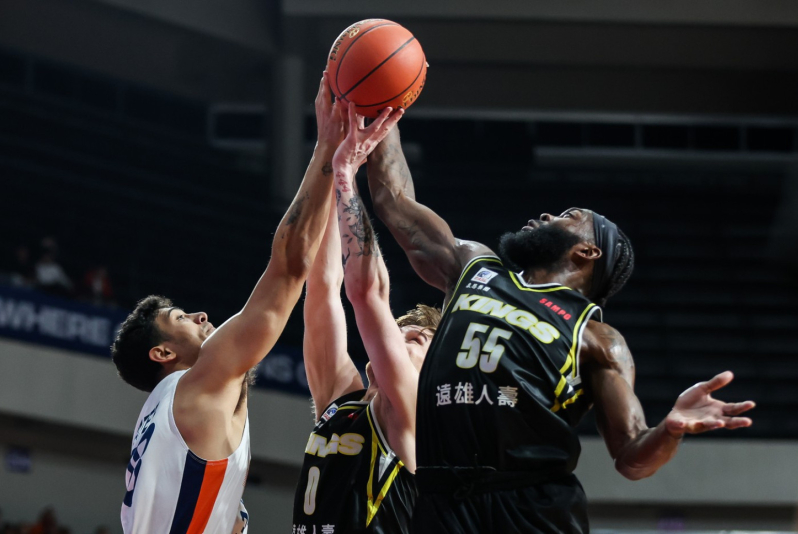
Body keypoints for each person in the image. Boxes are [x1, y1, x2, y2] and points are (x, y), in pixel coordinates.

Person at [365, 127, 757, 533]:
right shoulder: (474, 267)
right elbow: (394, 203)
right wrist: (385, 115)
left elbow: (631, 457)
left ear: (587, 251)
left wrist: (671, 430)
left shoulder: (597, 338)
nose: (547, 216)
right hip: (443, 500)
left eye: (568, 217)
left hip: (529, 508)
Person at [110, 74, 401, 534]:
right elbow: (288, 269)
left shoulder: (174, 428)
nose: (201, 315)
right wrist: (328, 149)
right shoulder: (192, 388)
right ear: (162, 353)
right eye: (181, 318)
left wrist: (340, 172)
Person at [292, 102, 438, 534]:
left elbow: (367, 292)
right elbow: (323, 286)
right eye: (401, 329)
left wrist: (345, 176)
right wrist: (328, 152)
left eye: (418, 340)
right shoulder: (340, 401)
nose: (400, 335)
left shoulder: (413, 414)